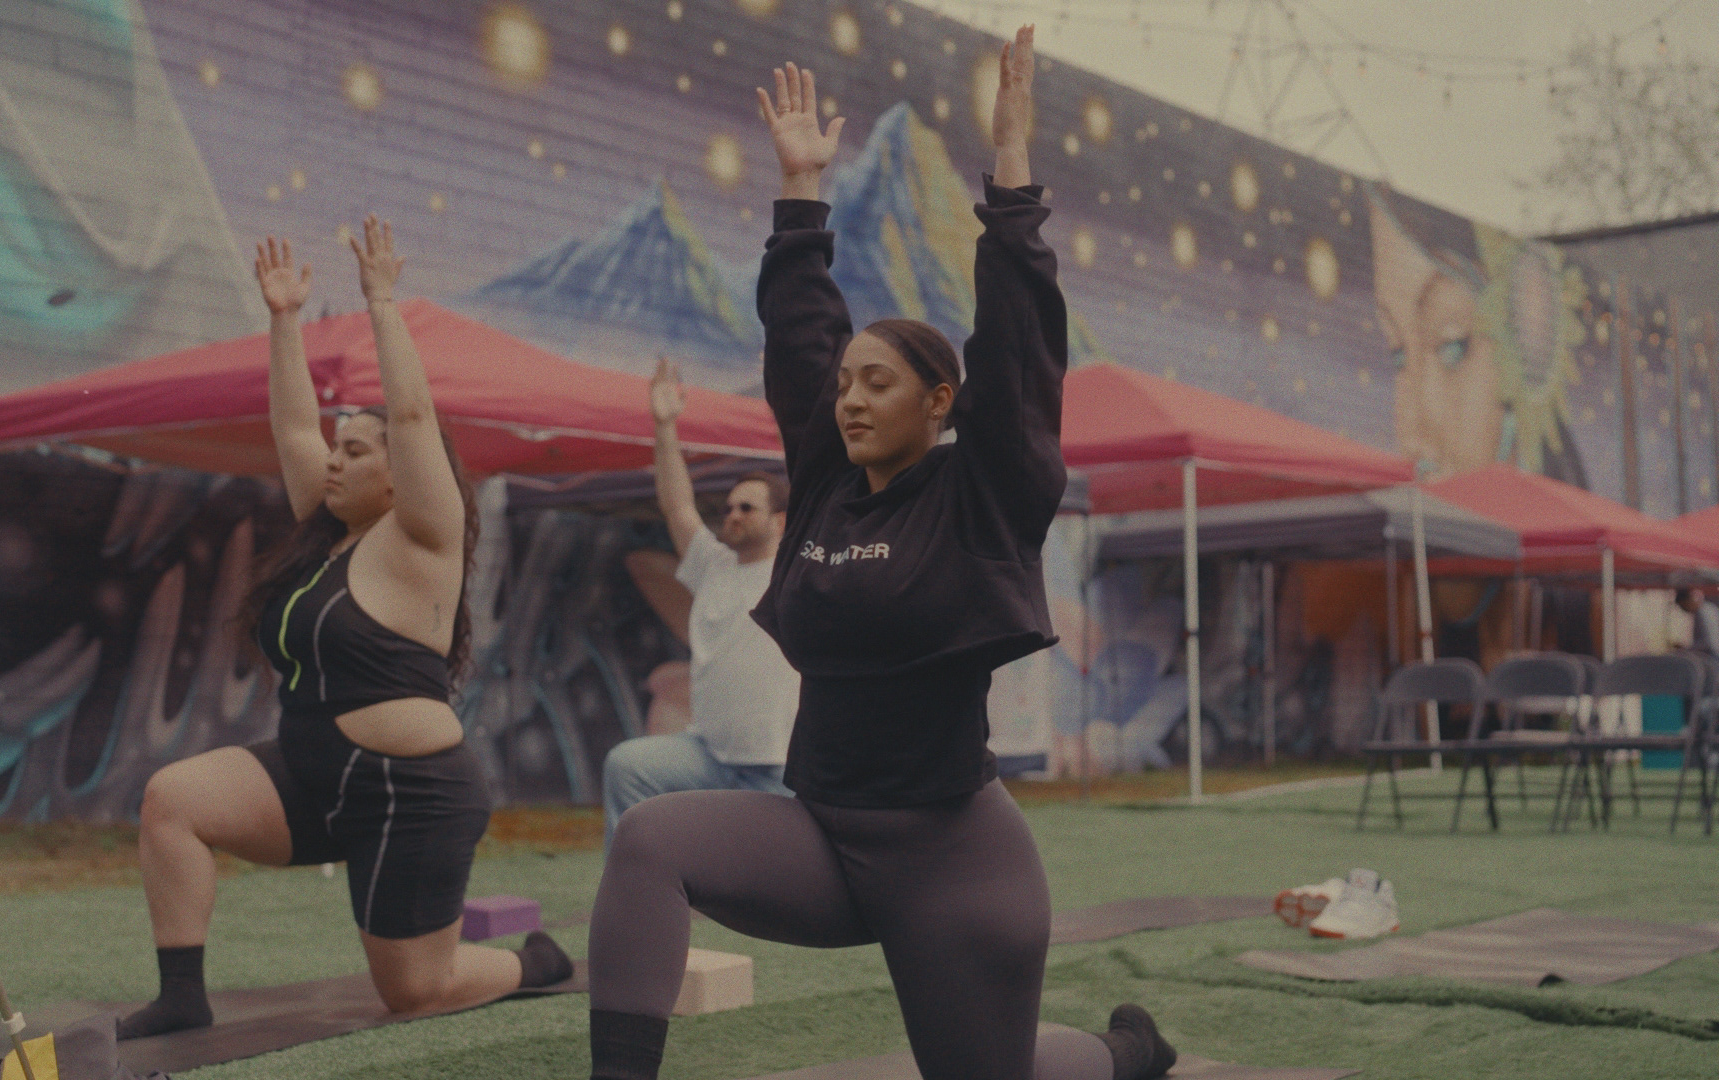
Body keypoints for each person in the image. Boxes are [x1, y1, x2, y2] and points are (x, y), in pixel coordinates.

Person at [584, 29, 1175, 1080]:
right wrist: (799, 194)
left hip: (955, 861)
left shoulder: (982, 496)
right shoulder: (823, 490)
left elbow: (1020, 348)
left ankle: (1126, 1053)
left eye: (879, 383)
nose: (850, 399)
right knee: (651, 839)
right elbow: (801, 335)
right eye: (846, 384)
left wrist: (1011, 171)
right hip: (820, 834)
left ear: (939, 402)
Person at [116, 217, 570, 1040]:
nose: (333, 458)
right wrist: (284, 320)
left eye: (356, 451)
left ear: (400, 478)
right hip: (312, 776)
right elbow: (295, 430)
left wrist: (381, 301)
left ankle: (535, 964)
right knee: (172, 801)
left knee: (415, 994)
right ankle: (181, 995)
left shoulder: (422, 539)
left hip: (412, 795)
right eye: (339, 447)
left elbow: (414, 416)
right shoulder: (325, 537)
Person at [600, 357, 799, 849]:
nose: (732, 515)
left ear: (779, 521)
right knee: (627, 766)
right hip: (708, 756)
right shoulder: (713, 565)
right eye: (729, 507)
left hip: (782, 770)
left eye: (746, 508)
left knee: (770, 879)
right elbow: (677, 505)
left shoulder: (799, 571)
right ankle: (633, 883)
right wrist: (665, 425)